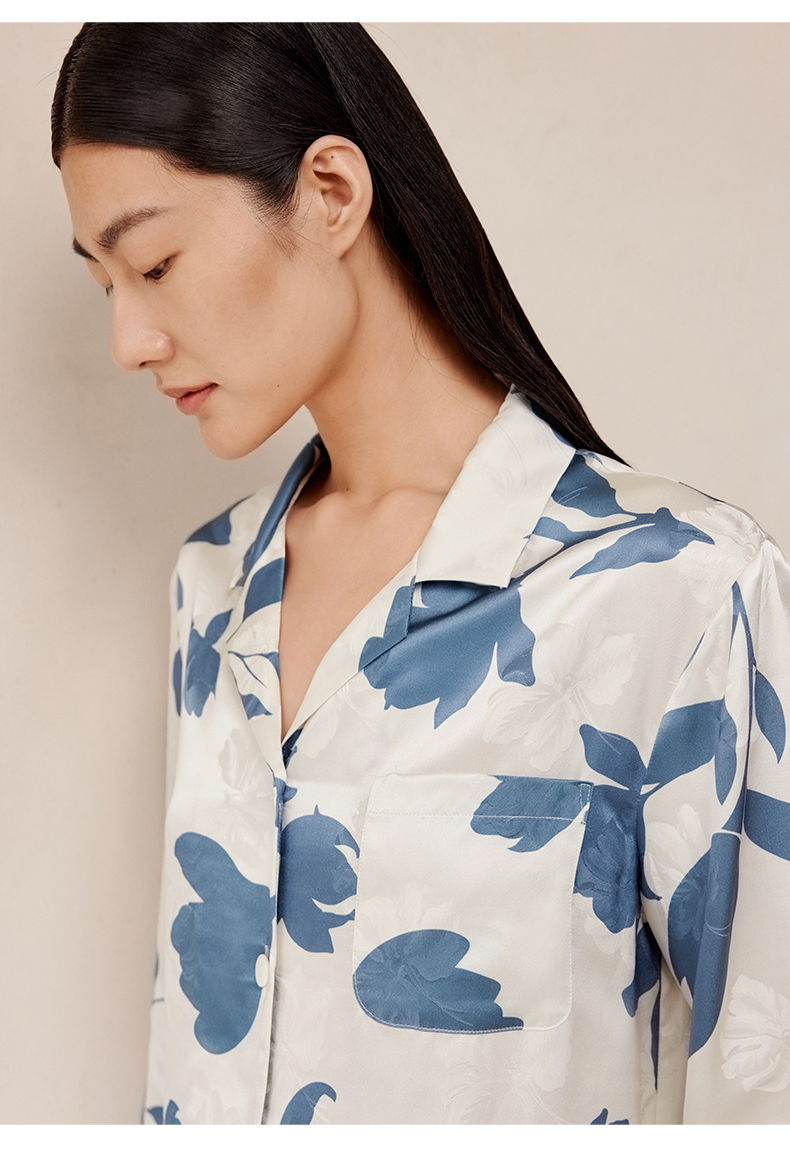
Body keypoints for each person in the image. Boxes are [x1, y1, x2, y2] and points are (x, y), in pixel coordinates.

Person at [52, 22, 790, 1126]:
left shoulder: (673, 589)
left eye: (154, 264)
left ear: (332, 193)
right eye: (105, 282)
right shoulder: (213, 587)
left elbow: (766, 1078)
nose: (129, 340)